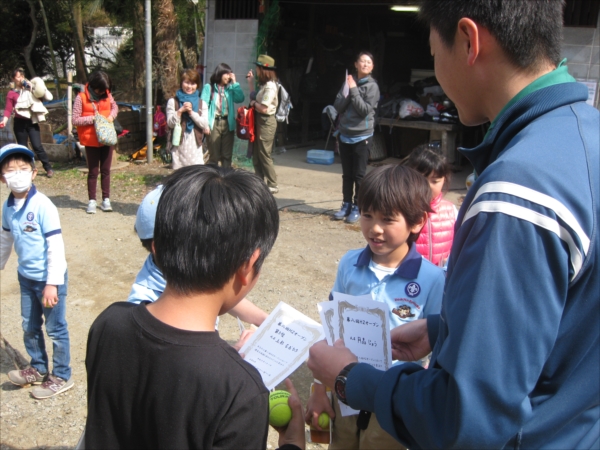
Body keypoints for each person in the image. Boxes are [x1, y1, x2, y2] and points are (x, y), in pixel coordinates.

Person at [307, 1, 599, 449]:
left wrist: (351, 378)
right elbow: (568, 323)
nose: (435, 70)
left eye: (432, 52)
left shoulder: (517, 192)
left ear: (468, 40)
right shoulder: (585, 138)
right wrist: (444, 329)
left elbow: (464, 418)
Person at [83, 165, 288, 448]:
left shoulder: (108, 324)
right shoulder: (241, 389)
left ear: (157, 248)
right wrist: (292, 441)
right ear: (249, 265)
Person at [306, 164, 445, 450]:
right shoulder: (349, 264)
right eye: (367, 215)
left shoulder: (432, 279)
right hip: (344, 387)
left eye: (388, 219)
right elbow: (333, 330)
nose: (375, 228)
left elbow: (440, 343)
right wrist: (319, 387)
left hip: (392, 397)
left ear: (417, 222)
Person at [128, 184, 268, 345]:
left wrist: (266, 320)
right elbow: (180, 359)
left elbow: (219, 293)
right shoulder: (144, 307)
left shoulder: (178, 268)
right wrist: (234, 357)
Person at [0, 143, 73, 399]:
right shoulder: (8, 208)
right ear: (2, 177)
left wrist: (52, 283)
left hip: (48, 280)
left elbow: (55, 247)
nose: (17, 174)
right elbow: (5, 241)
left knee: (55, 329)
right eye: (10, 170)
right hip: (26, 278)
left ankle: (62, 375)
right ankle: (38, 368)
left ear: (33, 173)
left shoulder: (44, 206)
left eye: (23, 168)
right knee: (29, 326)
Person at [332, 52, 380, 224]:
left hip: (362, 135)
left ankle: (357, 206)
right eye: (362, 61)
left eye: (369, 62)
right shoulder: (348, 81)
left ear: (372, 67)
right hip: (345, 134)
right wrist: (349, 88)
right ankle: (345, 204)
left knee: (359, 175)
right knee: (347, 174)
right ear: (356, 64)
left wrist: (353, 90)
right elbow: (338, 106)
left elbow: (364, 110)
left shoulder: (372, 87)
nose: (365, 64)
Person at [403, 144, 458, 267]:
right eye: (421, 178)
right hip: (408, 278)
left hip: (440, 278)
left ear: (444, 179)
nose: (427, 186)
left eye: (435, 181)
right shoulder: (401, 208)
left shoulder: (451, 211)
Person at [72, 71, 119, 214]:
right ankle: (92, 200)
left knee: (106, 171)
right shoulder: (81, 98)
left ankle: (106, 199)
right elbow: (75, 119)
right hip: (91, 140)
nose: (102, 92)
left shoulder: (107, 94)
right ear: (93, 85)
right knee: (93, 171)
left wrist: (111, 116)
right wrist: (92, 119)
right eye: (100, 89)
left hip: (106, 138)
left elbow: (115, 107)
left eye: (105, 89)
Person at [1, 68, 54, 178]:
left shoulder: (31, 89)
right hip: (19, 123)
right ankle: (27, 169)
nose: (20, 79)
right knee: (22, 147)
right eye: (17, 77)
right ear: (13, 79)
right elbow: (8, 109)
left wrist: (32, 87)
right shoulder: (12, 94)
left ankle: (48, 168)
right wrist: (4, 121)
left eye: (22, 76)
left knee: (37, 146)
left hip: (32, 122)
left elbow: (44, 96)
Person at [201, 63, 245, 168]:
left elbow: (240, 98)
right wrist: (205, 124)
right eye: (227, 73)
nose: (229, 76)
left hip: (228, 123)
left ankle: (226, 178)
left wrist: (235, 83)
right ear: (220, 73)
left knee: (227, 155)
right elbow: (203, 106)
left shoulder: (230, 89)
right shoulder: (209, 87)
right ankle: (213, 179)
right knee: (214, 156)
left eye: (230, 74)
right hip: (214, 123)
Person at [247, 55, 279, 194]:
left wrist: (253, 104)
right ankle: (259, 180)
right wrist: (250, 83)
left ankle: (272, 184)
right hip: (259, 120)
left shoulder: (271, 86)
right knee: (256, 152)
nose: (256, 69)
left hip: (266, 121)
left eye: (258, 67)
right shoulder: (264, 84)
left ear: (263, 69)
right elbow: (255, 96)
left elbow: (264, 107)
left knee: (264, 153)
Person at [166, 68, 209, 170]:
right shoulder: (173, 101)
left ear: (197, 85)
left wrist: (191, 113)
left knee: (195, 174)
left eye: (193, 83)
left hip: (195, 144)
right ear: (181, 83)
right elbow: (170, 123)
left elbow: (204, 124)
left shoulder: (201, 103)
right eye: (187, 83)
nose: (190, 86)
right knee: (179, 175)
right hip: (178, 144)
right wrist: (180, 111)